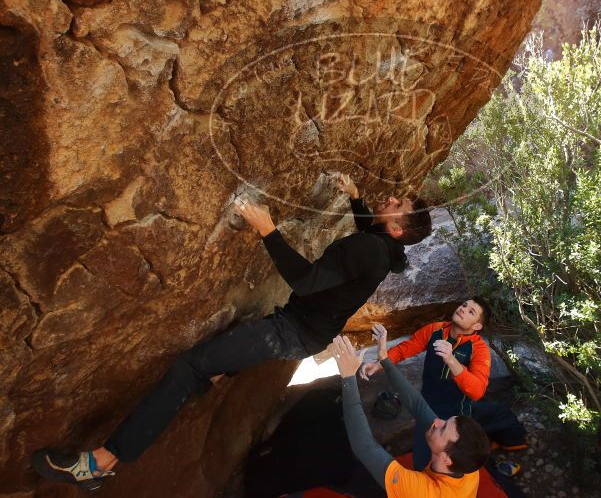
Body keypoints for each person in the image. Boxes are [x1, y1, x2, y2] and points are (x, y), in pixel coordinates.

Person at [32, 173, 432, 491]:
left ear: (398, 229)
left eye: (398, 206)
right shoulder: (385, 249)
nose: (392, 199)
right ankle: (217, 373)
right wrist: (356, 197)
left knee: (189, 366)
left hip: (292, 330)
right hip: (303, 328)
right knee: (215, 361)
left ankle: (100, 463)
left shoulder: (372, 250)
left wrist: (267, 228)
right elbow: (370, 232)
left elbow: (307, 281)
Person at [361, 299, 527, 470]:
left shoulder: (479, 349)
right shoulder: (436, 329)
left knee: (451, 463)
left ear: (477, 326)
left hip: (456, 419)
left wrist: (451, 360)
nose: (463, 310)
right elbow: (407, 347)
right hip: (426, 408)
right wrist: (378, 363)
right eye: (464, 305)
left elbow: (477, 391)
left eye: (471, 312)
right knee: (422, 456)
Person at [332, 332, 490, 497]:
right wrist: (385, 359)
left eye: (442, 429)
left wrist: (348, 377)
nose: (437, 422)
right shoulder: (467, 465)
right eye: (445, 421)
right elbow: (418, 406)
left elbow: (364, 447)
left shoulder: (421, 491)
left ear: (445, 459)